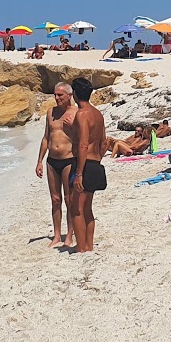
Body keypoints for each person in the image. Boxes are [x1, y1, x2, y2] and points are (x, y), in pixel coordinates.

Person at [35, 82, 77, 248]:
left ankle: (70, 235)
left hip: (69, 159)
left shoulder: (75, 112)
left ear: (69, 96)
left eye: (60, 95)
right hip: (52, 160)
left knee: (69, 199)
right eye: (55, 94)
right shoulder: (51, 112)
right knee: (55, 199)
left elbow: (83, 137)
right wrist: (39, 160)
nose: (57, 98)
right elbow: (46, 137)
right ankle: (57, 235)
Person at [68, 77, 106, 252]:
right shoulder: (98, 114)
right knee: (87, 208)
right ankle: (88, 245)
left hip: (84, 164)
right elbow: (104, 143)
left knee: (76, 208)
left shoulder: (82, 114)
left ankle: (81, 248)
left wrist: (79, 173)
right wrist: (97, 159)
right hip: (95, 162)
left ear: (75, 94)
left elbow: (83, 144)